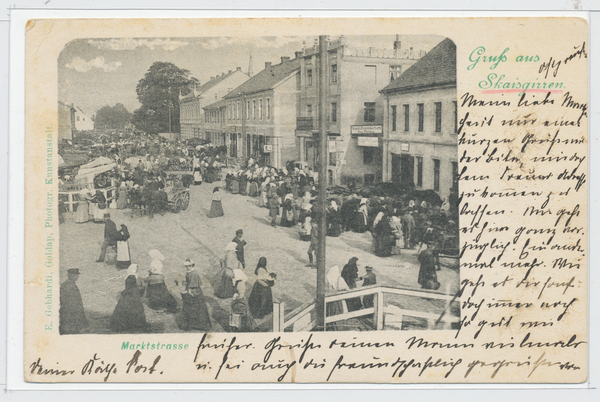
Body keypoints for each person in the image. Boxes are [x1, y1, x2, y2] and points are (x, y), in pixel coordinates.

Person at [181, 259, 212, 331]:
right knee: (191, 309)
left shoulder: (194, 273)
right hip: (191, 291)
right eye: (186, 266)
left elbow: (194, 285)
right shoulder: (189, 272)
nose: (187, 267)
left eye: (189, 266)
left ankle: (201, 325)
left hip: (195, 292)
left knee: (198, 309)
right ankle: (192, 325)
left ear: (192, 265)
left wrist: (189, 291)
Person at [59, 268, 88, 334]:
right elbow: (63, 299)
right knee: (68, 329)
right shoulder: (66, 285)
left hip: (74, 310)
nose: (77, 277)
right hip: (69, 310)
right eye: (75, 275)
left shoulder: (72, 284)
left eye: (77, 275)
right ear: (70, 275)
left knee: (74, 328)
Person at [325, 265, 349, 331]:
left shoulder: (329, 280)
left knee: (331, 314)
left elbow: (327, 291)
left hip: (331, 301)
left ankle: (332, 328)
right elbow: (347, 289)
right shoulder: (340, 279)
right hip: (340, 300)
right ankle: (341, 328)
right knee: (341, 314)